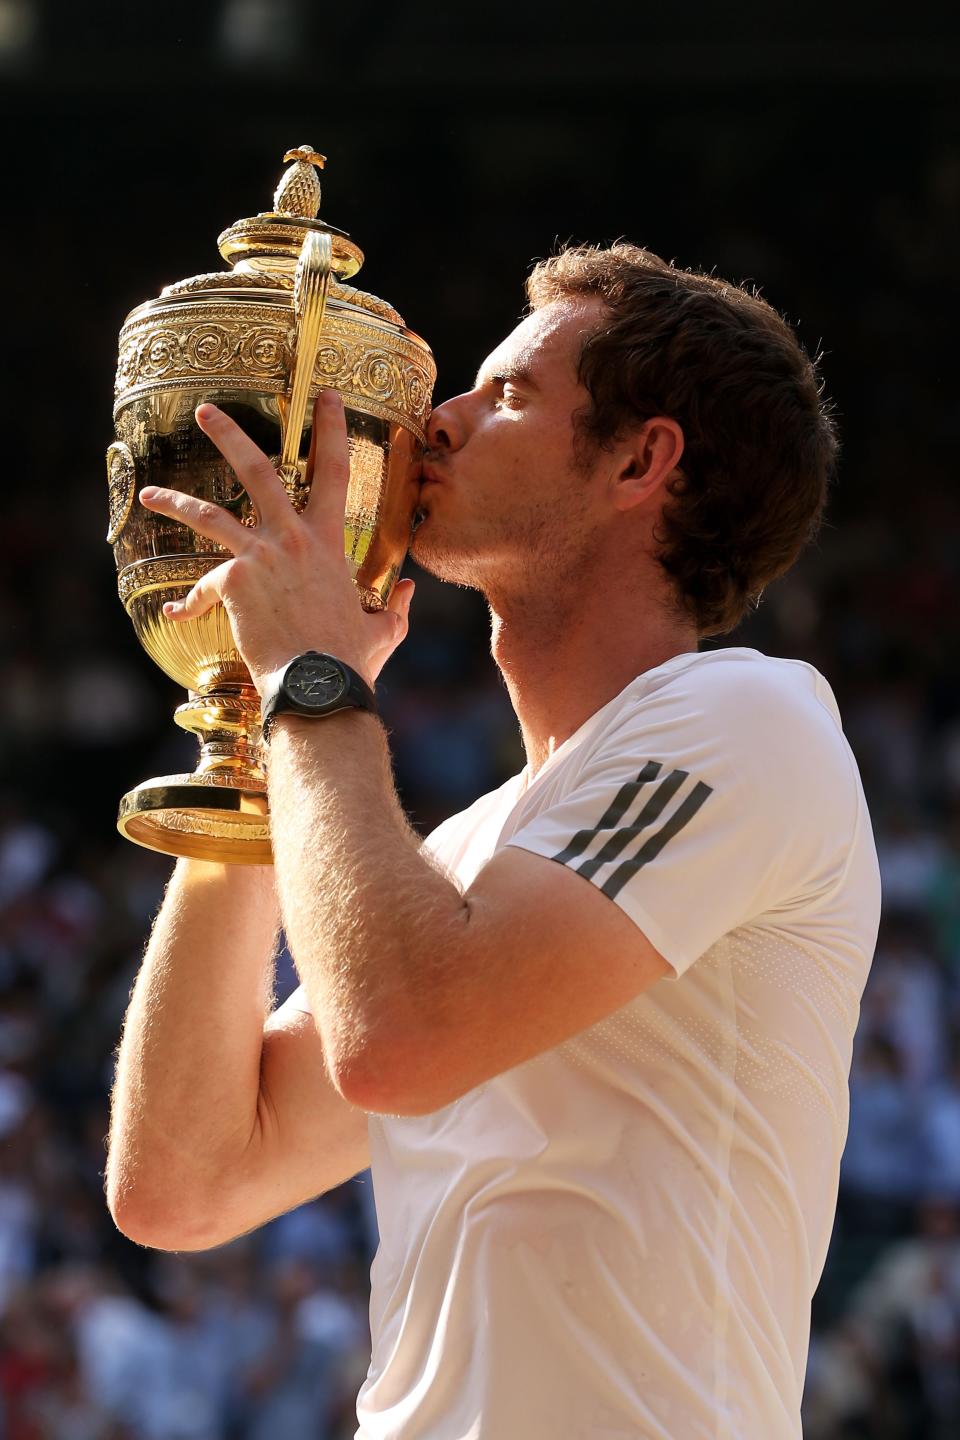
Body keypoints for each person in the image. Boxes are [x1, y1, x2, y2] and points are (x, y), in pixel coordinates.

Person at [107, 243, 881, 1439]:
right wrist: (247, 725)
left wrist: (311, 678)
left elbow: (400, 1039)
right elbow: (183, 1182)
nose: (439, 421)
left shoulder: (750, 718)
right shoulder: (472, 852)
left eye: (506, 393)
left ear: (641, 459)